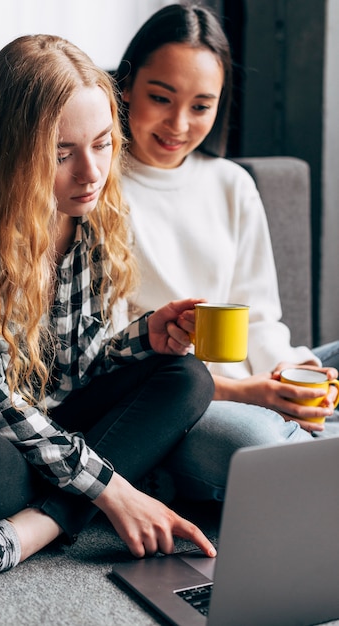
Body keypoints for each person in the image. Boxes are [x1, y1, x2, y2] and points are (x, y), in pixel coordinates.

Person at [0, 34, 218, 602]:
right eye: (62, 154)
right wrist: (114, 490)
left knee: (185, 375)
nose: (91, 173)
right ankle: (70, 503)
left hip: (49, 427)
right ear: (9, 149)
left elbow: (75, 370)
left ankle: (24, 533)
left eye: (103, 145)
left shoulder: (92, 215)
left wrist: (142, 339)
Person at [114, 2, 339, 501]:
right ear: (125, 86)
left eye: (200, 106)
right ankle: (302, 456)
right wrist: (251, 395)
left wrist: (289, 382)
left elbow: (259, 319)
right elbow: (106, 359)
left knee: (324, 370)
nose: (179, 124)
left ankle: (304, 448)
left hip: (253, 383)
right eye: (160, 97)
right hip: (177, 402)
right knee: (254, 441)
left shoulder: (231, 183)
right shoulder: (97, 187)